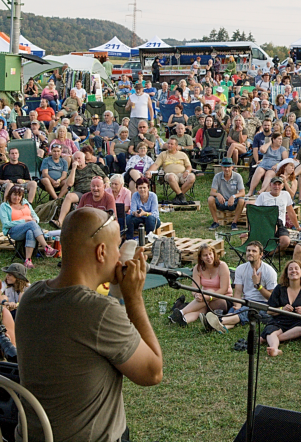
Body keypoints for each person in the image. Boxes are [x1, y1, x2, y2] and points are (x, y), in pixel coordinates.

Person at [15, 207, 163, 441]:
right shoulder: (98, 312)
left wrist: (115, 293)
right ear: (102, 251)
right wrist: (134, 298)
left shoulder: (32, 295)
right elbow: (153, 373)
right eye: (117, 247)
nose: (119, 255)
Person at [200, 241, 277, 333]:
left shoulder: (269, 271)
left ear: (261, 254)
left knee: (244, 311)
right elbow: (237, 291)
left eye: (254, 251)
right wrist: (237, 304)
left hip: (262, 304)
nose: (250, 253)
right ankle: (221, 328)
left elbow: (272, 298)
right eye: (248, 250)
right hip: (245, 301)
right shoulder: (241, 269)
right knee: (233, 312)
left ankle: (217, 321)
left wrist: (258, 286)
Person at [260, 260, 301, 357]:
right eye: (290, 269)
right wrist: (282, 309)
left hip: (298, 322)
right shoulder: (279, 288)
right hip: (279, 321)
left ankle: (273, 338)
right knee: (271, 329)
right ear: (286, 273)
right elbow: (269, 311)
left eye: (296, 269)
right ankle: (275, 348)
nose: (293, 271)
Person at [168, 243, 232, 327]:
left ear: (214, 254)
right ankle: (184, 320)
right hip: (204, 299)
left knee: (209, 292)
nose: (208, 257)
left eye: (210, 254)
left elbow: (224, 289)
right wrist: (196, 295)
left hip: (223, 299)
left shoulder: (222, 266)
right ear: (201, 257)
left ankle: (181, 312)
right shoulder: (198, 268)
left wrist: (208, 297)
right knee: (202, 308)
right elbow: (194, 288)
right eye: (205, 255)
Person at [0, 185, 58, 268]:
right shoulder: (4, 206)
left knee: (30, 231)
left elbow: (36, 217)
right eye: (15, 195)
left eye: (19, 196)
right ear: (10, 195)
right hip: (14, 231)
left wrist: (35, 221)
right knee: (31, 224)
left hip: (30, 227)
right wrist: (24, 221)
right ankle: (46, 247)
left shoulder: (26, 203)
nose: (17, 198)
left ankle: (28, 260)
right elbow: (6, 224)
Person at [49, 151, 108, 229]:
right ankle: (60, 221)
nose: (77, 160)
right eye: (75, 159)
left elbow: (104, 176)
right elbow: (69, 184)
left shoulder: (92, 166)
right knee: (69, 196)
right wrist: (73, 169)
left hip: (94, 190)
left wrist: (107, 182)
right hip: (80, 193)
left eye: (79, 158)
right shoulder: (72, 171)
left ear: (84, 159)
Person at [255, 177, 301, 253]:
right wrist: (250, 231)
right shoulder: (263, 196)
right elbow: (256, 214)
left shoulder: (286, 195)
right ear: (270, 185)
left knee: (286, 242)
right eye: (274, 184)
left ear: (282, 186)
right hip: (266, 223)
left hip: (280, 224)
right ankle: (265, 252)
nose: (276, 187)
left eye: (279, 184)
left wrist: (297, 227)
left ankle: (268, 254)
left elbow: (291, 212)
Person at [145, 137, 195, 205]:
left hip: (182, 175)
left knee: (192, 177)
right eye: (168, 143)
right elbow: (156, 165)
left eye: (172, 144)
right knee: (171, 176)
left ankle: (178, 197)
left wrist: (187, 171)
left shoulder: (183, 154)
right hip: (170, 175)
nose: (169, 145)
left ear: (176, 146)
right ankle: (181, 196)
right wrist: (149, 171)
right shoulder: (163, 154)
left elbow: (189, 166)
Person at [208, 157, 246, 231]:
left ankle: (234, 222)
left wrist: (234, 196)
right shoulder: (217, 176)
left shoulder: (237, 176)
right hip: (221, 201)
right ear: (222, 167)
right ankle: (215, 222)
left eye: (228, 167)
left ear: (232, 167)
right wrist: (218, 195)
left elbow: (243, 192)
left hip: (233, 202)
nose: (227, 169)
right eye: (225, 167)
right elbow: (212, 192)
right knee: (210, 199)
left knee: (241, 200)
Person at [247, 132, 288, 196]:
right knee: (259, 170)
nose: (281, 141)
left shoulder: (282, 149)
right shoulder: (268, 147)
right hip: (263, 165)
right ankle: (250, 192)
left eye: (281, 139)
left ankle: (262, 191)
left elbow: (285, 161)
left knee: (269, 174)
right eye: (279, 139)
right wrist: (269, 143)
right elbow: (262, 150)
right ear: (273, 139)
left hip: (273, 168)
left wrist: (277, 165)